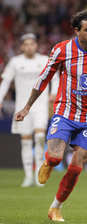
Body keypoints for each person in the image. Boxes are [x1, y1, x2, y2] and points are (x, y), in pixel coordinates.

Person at [15, 10, 87, 222]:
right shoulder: (62, 49)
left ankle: (55, 207)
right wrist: (27, 107)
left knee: (77, 166)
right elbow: (44, 78)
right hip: (65, 112)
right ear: (77, 30)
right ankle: (48, 163)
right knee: (54, 157)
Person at [0, 33, 58, 187]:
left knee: (39, 138)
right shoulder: (15, 62)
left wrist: (54, 92)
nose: (29, 47)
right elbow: (5, 82)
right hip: (21, 107)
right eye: (26, 44)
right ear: (22, 46)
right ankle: (28, 177)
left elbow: (56, 76)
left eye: (32, 43)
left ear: (36, 45)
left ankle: (39, 176)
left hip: (40, 107)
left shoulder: (44, 60)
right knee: (25, 141)